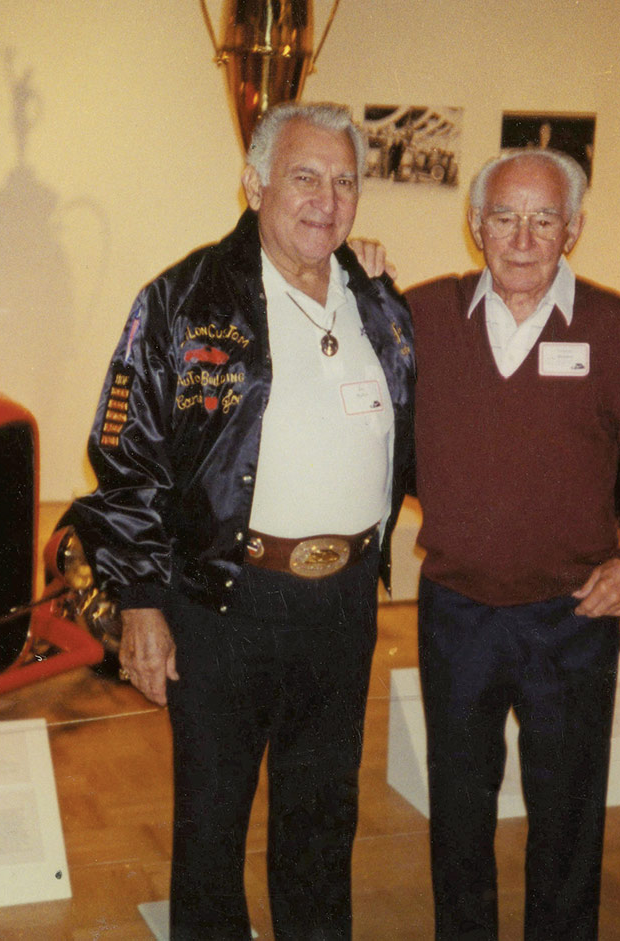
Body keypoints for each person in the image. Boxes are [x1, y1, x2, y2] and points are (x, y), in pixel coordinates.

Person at [67, 102, 415, 940]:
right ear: (255, 182)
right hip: (225, 604)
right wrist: (141, 601)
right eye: (304, 177)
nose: (325, 200)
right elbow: (126, 458)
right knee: (212, 830)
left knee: (323, 823)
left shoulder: (377, 302)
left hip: (343, 609)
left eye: (343, 181)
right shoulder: (183, 298)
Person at [404, 149, 620, 940]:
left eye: (544, 218)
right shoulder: (422, 316)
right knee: (458, 810)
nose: (523, 236)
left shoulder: (612, 325)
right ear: (476, 226)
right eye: (505, 216)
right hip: (457, 612)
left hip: (572, 618)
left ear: (575, 228)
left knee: (568, 817)